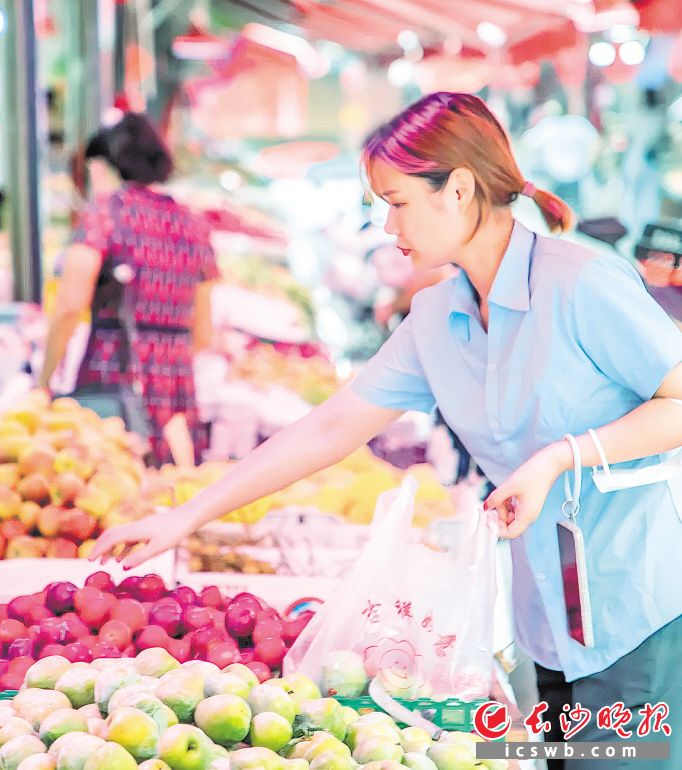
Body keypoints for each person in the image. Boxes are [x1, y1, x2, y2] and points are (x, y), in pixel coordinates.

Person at [92, 92, 682, 769]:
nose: (387, 223)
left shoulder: (581, 283)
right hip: (544, 618)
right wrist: (185, 516)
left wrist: (561, 457)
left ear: (458, 189)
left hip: (637, 608)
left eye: (397, 202)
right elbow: (329, 428)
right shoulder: (438, 316)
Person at [39, 112, 218, 467]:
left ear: (107, 165)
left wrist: (43, 381)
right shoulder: (193, 222)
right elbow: (203, 333)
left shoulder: (106, 212)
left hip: (113, 371)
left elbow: (70, 307)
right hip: (175, 386)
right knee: (172, 485)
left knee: (110, 476)